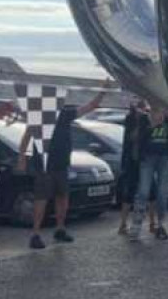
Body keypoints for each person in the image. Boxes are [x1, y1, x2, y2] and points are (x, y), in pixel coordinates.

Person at [17, 88, 107, 249]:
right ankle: (35, 233)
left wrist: (102, 91)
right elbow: (27, 136)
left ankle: (60, 228)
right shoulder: (39, 115)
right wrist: (22, 158)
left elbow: (91, 106)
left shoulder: (66, 113)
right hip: (44, 164)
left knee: (62, 196)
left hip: (62, 164)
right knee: (41, 198)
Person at [130, 104, 168, 241]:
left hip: (165, 157)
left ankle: (161, 224)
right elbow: (137, 137)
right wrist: (152, 125)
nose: (158, 112)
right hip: (148, 157)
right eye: (155, 109)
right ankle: (136, 225)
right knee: (143, 190)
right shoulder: (144, 119)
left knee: (162, 192)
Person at [117, 101, 158, 235]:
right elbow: (131, 137)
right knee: (129, 192)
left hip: (145, 161)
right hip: (133, 161)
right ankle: (123, 224)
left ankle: (153, 223)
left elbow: (151, 133)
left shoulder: (146, 118)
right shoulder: (130, 119)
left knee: (152, 192)